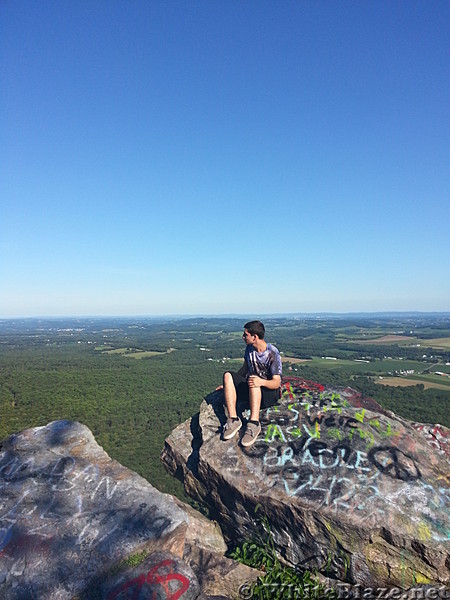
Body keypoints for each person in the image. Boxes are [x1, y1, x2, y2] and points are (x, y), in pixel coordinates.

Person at [217, 320, 282, 447]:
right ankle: (234, 420)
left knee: (253, 380)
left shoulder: (272, 353)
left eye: (245, 334)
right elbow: (244, 370)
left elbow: (276, 383)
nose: (243, 337)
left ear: (255, 337)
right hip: (253, 390)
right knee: (228, 375)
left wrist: (261, 382)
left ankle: (254, 423)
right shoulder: (249, 349)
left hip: (268, 394)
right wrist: (229, 386)